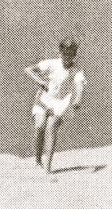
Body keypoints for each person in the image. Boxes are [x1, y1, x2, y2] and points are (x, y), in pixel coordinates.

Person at [24, 37, 87, 173]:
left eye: (71, 54)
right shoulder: (51, 64)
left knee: (51, 127)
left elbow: (79, 85)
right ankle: (38, 160)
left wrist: (78, 99)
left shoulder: (77, 70)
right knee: (39, 127)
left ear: (74, 55)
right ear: (60, 52)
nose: (67, 57)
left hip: (60, 103)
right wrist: (40, 81)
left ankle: (47, 168)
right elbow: (28, 70)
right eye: (65, 54)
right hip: (43, 100)